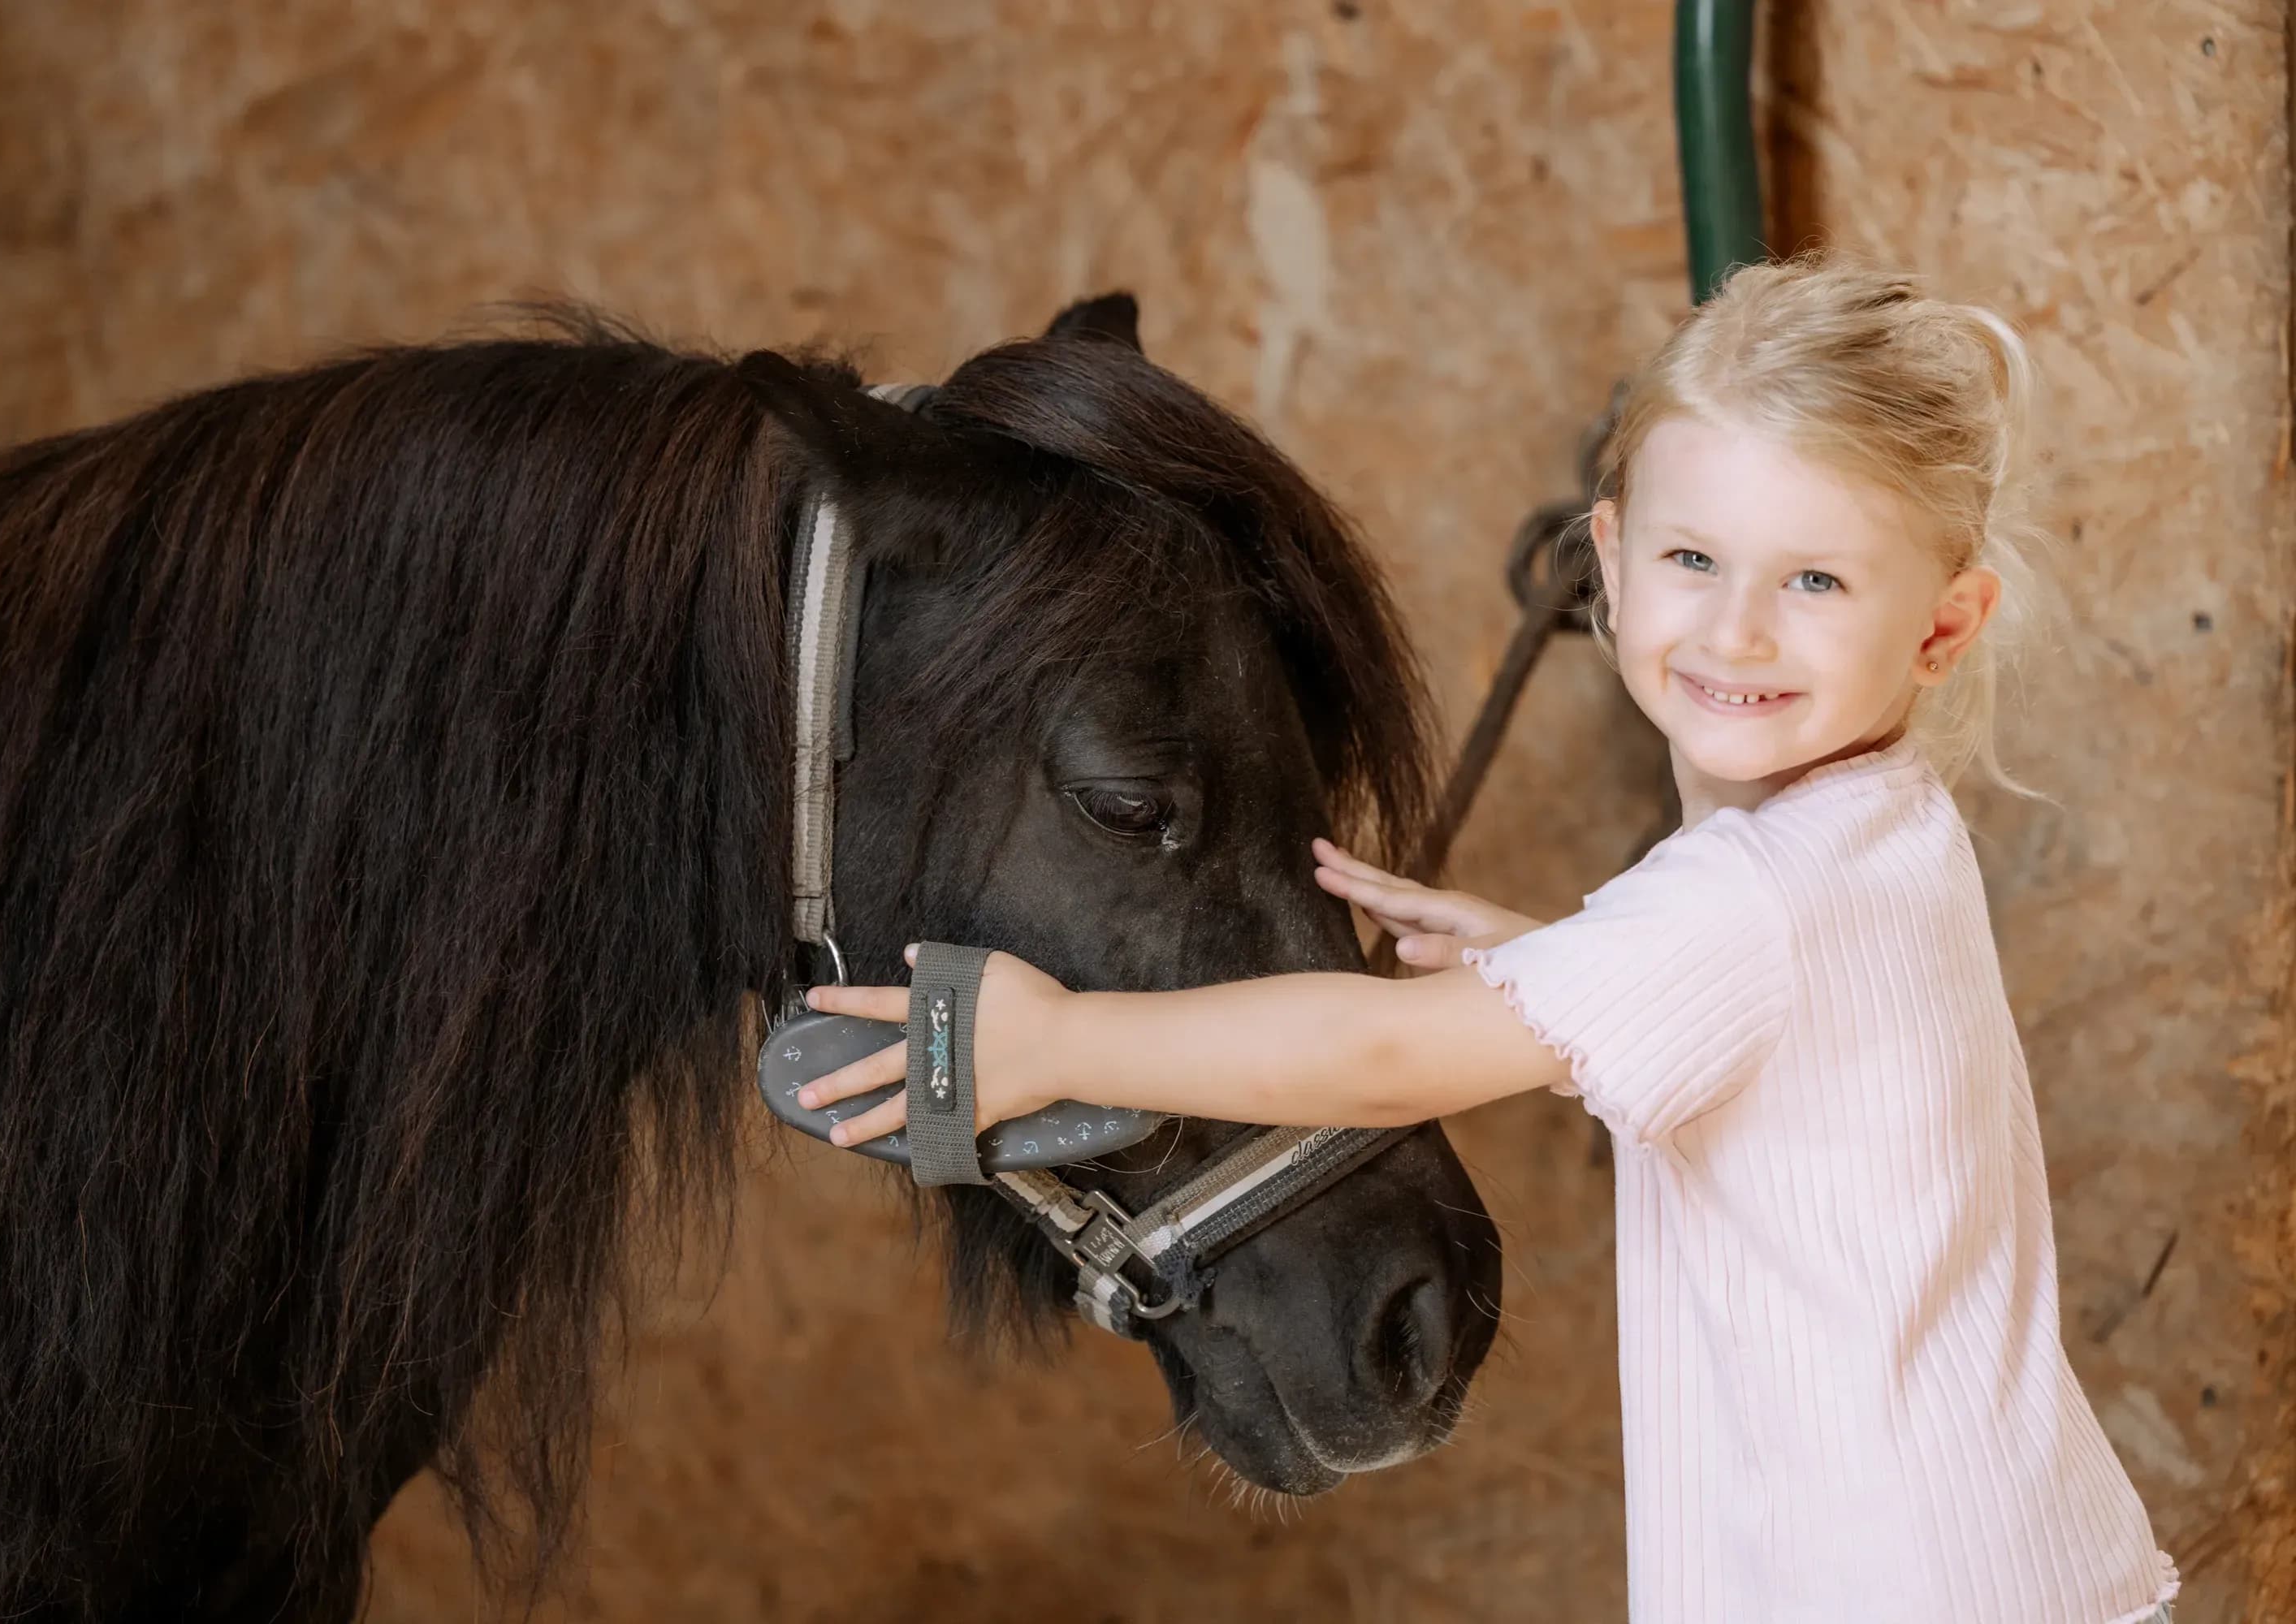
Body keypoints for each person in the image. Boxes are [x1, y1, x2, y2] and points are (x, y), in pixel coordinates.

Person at [794, 257, 2177, 1623]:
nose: (1738, 628)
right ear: (1613, 565)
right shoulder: (1875, 840)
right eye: (1695, 560)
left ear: (1943, 628)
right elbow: (1792, 1076)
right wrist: (1554, 964)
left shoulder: (1749, 902)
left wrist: (1058, 1043)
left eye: (1816, 581)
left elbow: (1387, 1056)